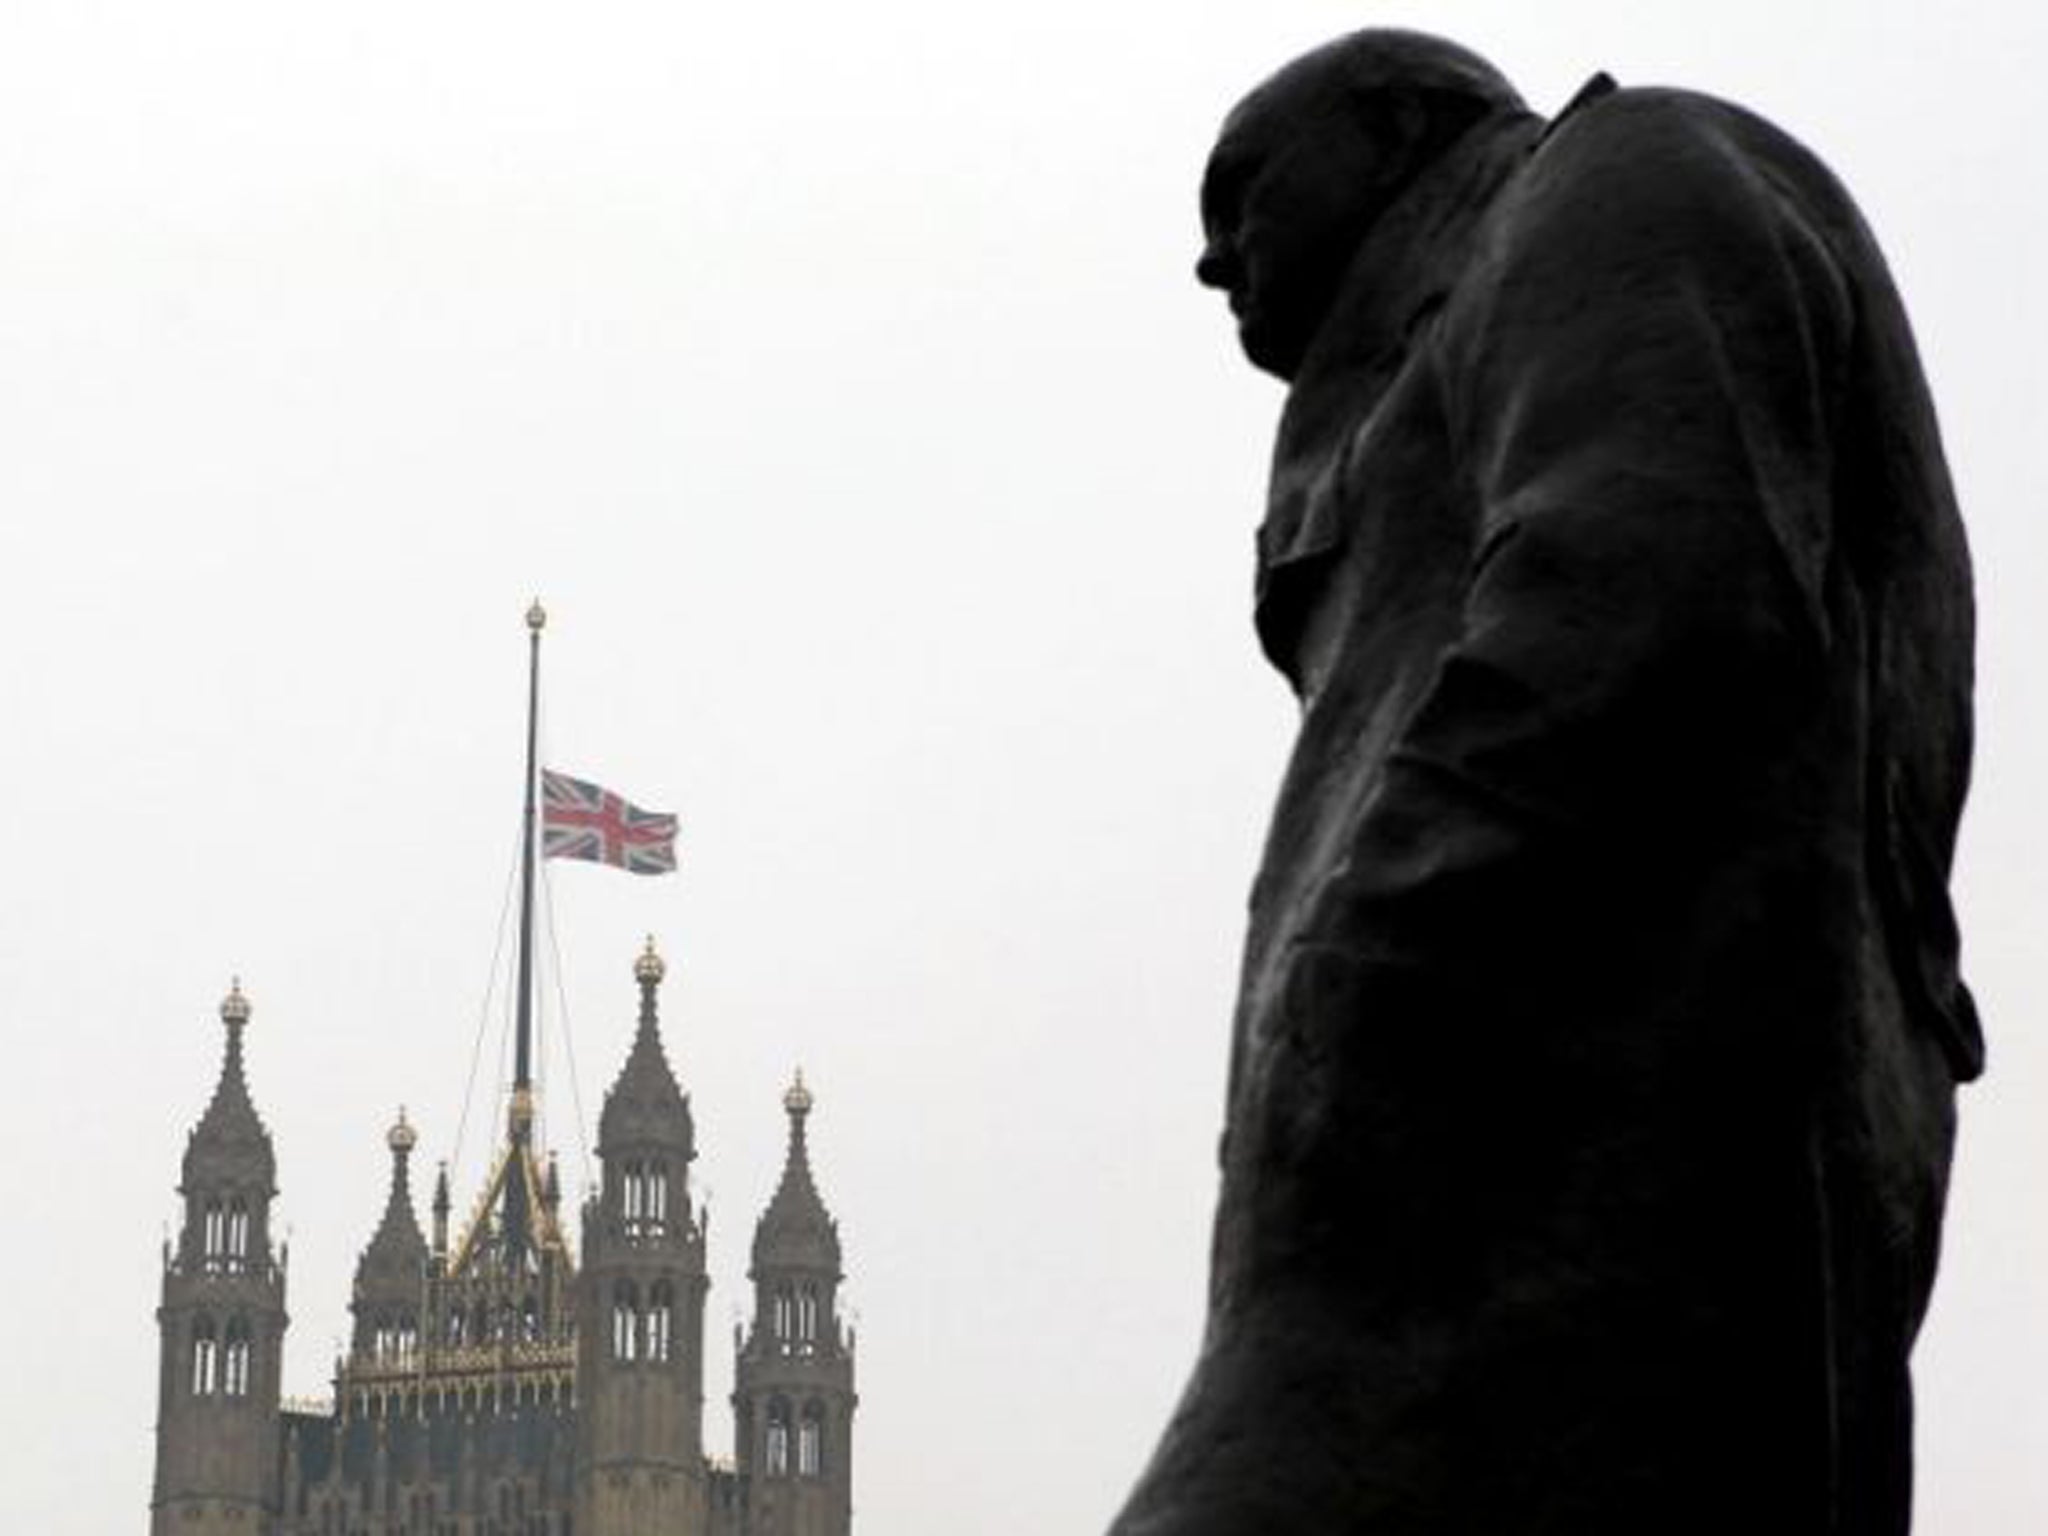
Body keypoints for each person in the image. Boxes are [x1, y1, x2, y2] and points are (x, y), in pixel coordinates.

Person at [1108, 29, 1979, 1536]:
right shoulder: (1461, 320)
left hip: (1514, 1173)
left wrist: (1363, 975)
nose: (1210, 261)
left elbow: (1650, 597)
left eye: (1240, 192)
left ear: (1395, 128)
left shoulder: (1615, 184)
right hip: (1495, 1189)